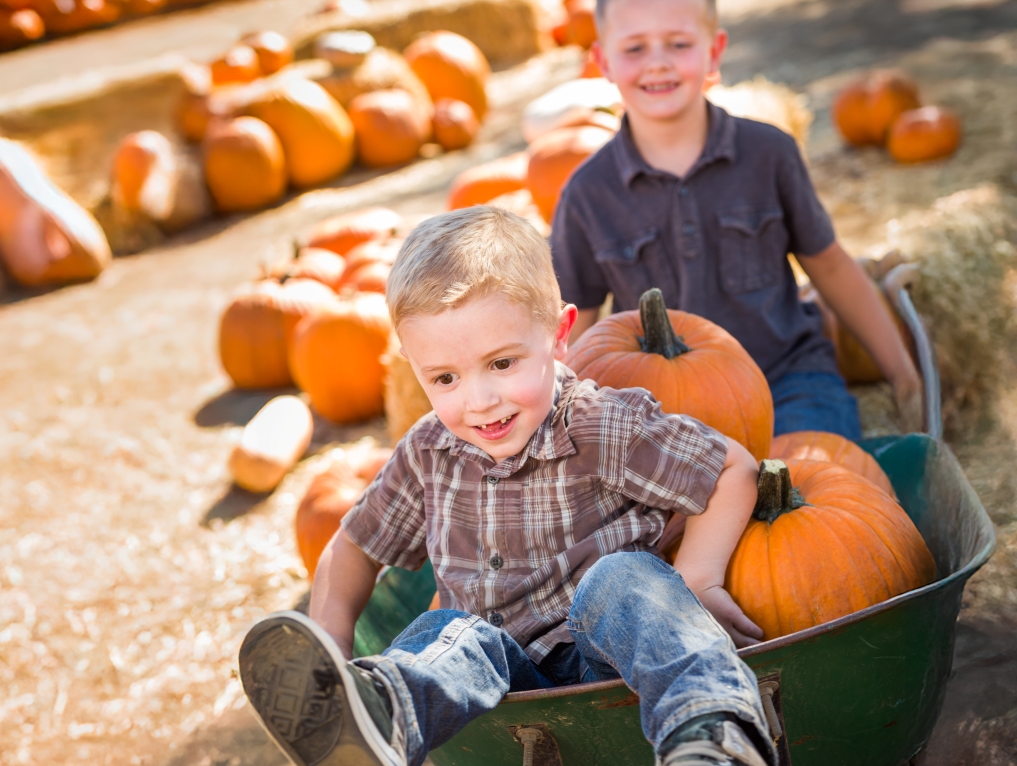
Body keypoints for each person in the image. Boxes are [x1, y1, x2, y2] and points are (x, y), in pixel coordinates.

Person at [238, 207, 777, 766]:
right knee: (448, 631)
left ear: (558, 335)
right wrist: (332, 647)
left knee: (624, 579)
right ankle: (374, 712)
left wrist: (698, 580)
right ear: (414, 367)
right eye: (444, 378)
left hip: (607, 663)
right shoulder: (428, 452)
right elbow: (353, 544)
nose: (478, 400)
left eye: (501, 363)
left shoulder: (596, 424)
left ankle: (711, 733)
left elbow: (730, 468)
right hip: (490, 690)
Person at [551, 0, 922, 443]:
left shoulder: (769, 154)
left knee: (811, 484)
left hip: (788, 379)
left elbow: (832, 266)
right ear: (602, 62)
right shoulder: (587, 194)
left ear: (714, 51)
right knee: (687, 510)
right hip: (658, 407)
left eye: (679, 43)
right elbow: (578, 327)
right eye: (634, 48)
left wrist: (904, 376)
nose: (658, 62)